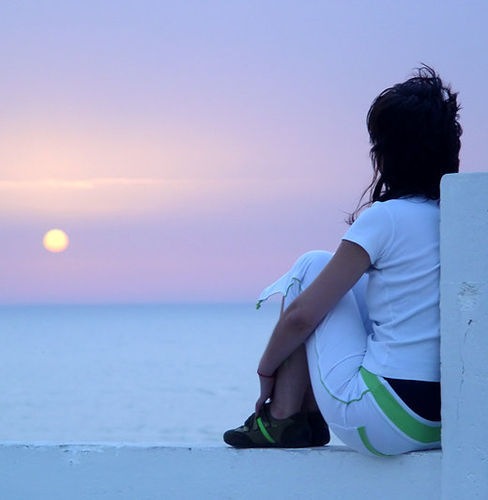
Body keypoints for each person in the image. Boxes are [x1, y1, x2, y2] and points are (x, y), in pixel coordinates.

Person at [223, 66, 462, 456]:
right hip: (443, 422)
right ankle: (300, 417)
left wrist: (266, 369)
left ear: (385, 153)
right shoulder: (456, 220)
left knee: (311, 266)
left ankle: (281, 418)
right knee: (367, 285)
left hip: (386, 421)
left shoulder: (386, 218)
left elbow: (301, 317)